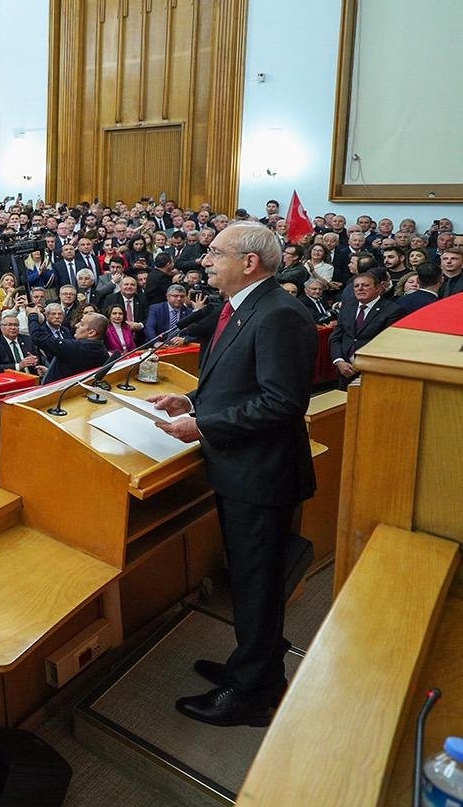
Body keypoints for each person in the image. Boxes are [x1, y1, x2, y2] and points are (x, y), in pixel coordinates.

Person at [149, 222, 316, 728]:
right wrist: (194, 400)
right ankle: (252, 669)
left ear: (249, 262)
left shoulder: (280, 315)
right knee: (249, 581)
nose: (206, 260)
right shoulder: (242, 308)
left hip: (260, 478)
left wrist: (203, 426)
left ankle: (252, 695)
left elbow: (282, 403)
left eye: (216, 253)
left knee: (258, 585)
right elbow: (240, 381)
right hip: (241, 470)